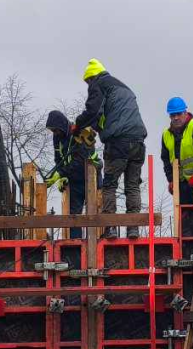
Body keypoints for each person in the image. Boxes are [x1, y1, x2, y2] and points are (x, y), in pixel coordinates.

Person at [74, 59, 148, 239]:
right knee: (132, 186)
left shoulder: (98, 84)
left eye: (87, 82)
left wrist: (78, 125)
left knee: (109, 185)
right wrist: (98, 128)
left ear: (91, 77)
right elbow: (112, 115)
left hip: (118, 143)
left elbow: (93, 111)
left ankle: (110, 227)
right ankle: (133, 228)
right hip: (138, 141)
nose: (88, 86)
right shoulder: (123, 87)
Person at [44, 110, 102, 239]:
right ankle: (76, 247)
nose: (55, 133)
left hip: (91, 178)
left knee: (94, 213)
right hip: (74, 181)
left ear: (62, 125)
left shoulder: (82, 132)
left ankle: (97, 242)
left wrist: (60, 173)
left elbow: (81, 161)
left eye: (56, 130)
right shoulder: (57, 138)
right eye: (53, 131)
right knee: (74, 216)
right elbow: (58, 159)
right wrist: (61, 176)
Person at [161, 97, 193, 205]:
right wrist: (171, 180)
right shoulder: (166, 134)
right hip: (182, 183)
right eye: (172, 115)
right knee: (186, 217)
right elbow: (166, 160)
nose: (175, 118)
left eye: (178, 114)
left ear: (185, 112)